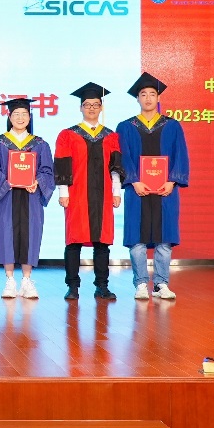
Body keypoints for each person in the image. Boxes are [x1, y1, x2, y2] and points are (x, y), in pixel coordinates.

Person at [116, 72, 190, 301]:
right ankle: (140, 283)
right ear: (137, 98)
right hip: (136, 190)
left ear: (158, 98)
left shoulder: (172, 126)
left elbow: (180, 155)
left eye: (152, 94)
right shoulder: (126, 127)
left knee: (164, 238)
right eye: (143, 94)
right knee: (137, 238)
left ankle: (161, 284)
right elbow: (123, 157)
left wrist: (172, 181)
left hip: (165, 190)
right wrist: (134, 180)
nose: (148, 98)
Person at [54, 83, 125, 301]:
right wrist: (63, 192)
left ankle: (102, 286)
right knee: (73, 241)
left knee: (102, 242)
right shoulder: (68, 135)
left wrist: (116, 191)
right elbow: (63, 164)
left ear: (101, 107)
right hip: (76, 194)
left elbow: (115, 167)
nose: (92, 108)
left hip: (103, 195)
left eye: (96, 104)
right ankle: (72, 286)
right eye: (87, 105)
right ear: (81, 108)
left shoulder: (110, 136)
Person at [0, 97, 54, 300]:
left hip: (31, 197)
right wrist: (8, 182)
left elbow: (47, 170)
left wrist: (38, 182)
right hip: (7, 196)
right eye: (16, 114)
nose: (20, 118)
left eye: (24, 114)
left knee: (31, 235)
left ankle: (26, 280)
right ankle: (9, 280)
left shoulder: (40, 144)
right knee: (5, 235)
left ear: (30, 117)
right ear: (9, 116)